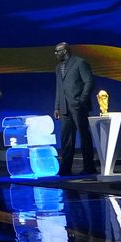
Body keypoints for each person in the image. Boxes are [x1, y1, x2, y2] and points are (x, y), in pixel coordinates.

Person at [52, 42, 95, 174]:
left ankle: (89, 167)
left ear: (64, 51)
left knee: (84, 135)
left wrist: (82, 100)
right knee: (66, 137)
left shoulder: (80, 62)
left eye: (57, 51)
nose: (55, 54)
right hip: (64, 107)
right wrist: (57, 106)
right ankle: (65, 168)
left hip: (78, 105)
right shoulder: (58, 68)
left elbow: (89, 81)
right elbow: (59, 88)